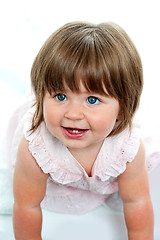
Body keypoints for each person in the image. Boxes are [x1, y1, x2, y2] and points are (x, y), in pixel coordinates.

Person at [5, 21, 160, 239]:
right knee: (17, 188)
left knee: (135, 186)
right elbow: (26, 206)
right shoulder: (36, 148)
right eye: (60, 96)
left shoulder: (127, 149)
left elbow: (137, 201)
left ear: (123, 110)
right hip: (46, 173)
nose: (73, 114)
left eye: (92, 99)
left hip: (116, 154)